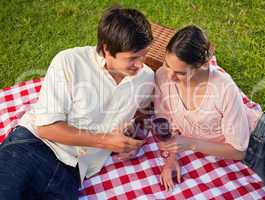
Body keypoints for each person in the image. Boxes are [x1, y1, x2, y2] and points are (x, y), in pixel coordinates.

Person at [0, 6, 155, 199]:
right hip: (34, 147)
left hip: (73, 173)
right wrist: (107, 140)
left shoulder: (146, 78)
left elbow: (143, 116)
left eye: (144, 56)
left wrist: (132, 142)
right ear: (107, 49)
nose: (141, 64)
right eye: (132, 58)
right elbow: (46, 128)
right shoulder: (70, 62)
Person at [154, 25, 265, 200]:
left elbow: (238, 150)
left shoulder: (223, 87)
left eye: (179, 73)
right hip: (253, 158)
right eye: (167, 64)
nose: (170, 76)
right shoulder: (163, 76)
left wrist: (190, 144)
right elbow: (167, 120)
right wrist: (171, 158)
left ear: (201, 65)